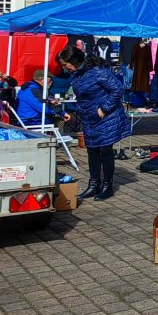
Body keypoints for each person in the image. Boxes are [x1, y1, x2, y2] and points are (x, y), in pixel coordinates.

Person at [56, 46, 130, 200]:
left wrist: (104, 108)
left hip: (106, 116)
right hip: (89, 118)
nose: (64, 67)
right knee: (92, 150)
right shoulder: (77, 74)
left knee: (105, 149)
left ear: (74, 60)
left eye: (65, 64)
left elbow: (117, 89)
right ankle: (94, 184)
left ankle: (107, 186)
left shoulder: (98, 71)